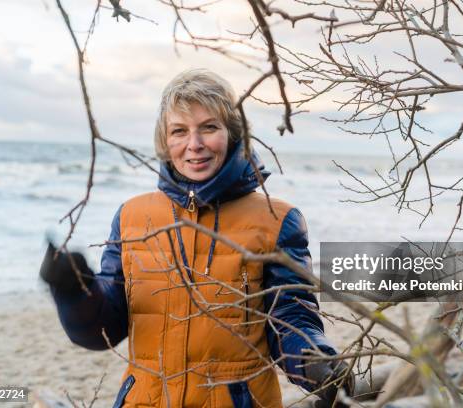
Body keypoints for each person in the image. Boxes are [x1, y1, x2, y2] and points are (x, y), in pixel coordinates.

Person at [40, 69, 353, 408]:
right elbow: (103, 331)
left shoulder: (277, 220)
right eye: (179, 131)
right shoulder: (131, 217)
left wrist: (316, 361)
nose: (195, 144)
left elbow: (291, 318)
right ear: (165, 140)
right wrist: (74, 291)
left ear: (232, 134)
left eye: (209, 127)